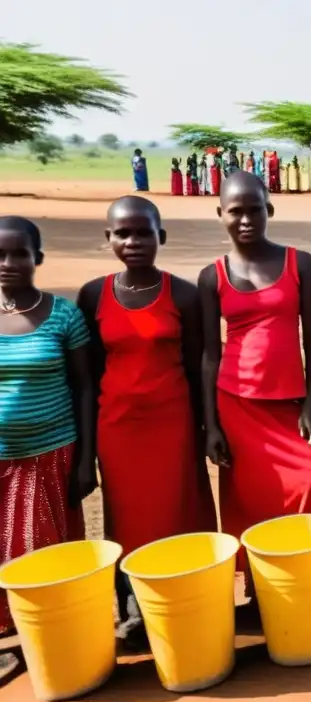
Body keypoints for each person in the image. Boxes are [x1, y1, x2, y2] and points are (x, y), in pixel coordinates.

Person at [77, 197, 216, 647]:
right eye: (123, 233)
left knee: (178, 509)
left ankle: (186, 599)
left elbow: (199, 365)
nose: (133, 241)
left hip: (173, 423)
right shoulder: (94, 295)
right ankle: (133, 609)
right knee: (127, 516)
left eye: (143, 233)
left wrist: (206, 425)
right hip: (117, 428)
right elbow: (91, 372)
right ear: (108, 239)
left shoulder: (184, 294)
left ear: (162, 237)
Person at [197, 172, 311, 586]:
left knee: (309, 482)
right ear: (221, 215)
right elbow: (208, 354)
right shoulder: (212, 275)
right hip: (235, 401)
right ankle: (261, 584)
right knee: (249, 500)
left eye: (255, 209)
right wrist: (211, 424)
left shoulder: (297, 262)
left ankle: (304, 577)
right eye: (236, 211)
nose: (246, 219)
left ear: (268, 210)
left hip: (289, 403)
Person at [0, 216, 96, 636]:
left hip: (50, 456)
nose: (8, 262)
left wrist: (85, 461)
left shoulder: (63, 316)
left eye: (19, 253)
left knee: (42, 553)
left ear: (37, 258)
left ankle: (51, 636)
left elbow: (84, 389)